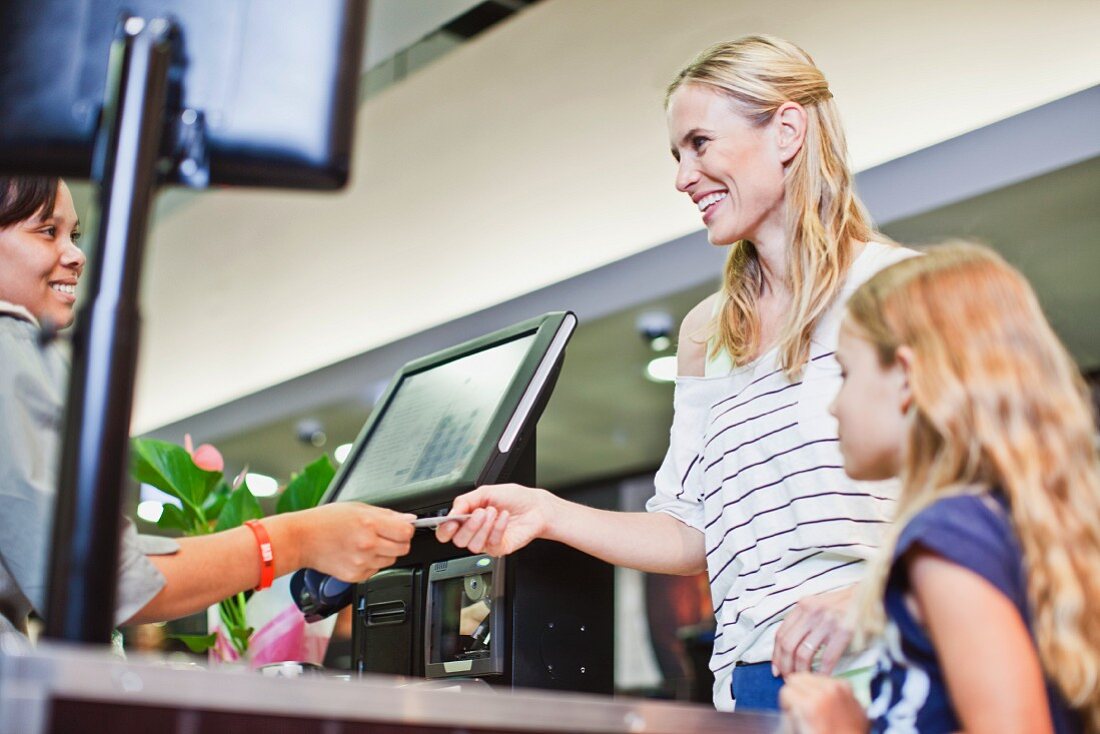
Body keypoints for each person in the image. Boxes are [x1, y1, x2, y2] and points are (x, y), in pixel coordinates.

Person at [436, 35, 917, 711]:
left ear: (786, 129)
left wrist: (878, 592)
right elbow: (690, 531)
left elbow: (1002, 489)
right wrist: (545, 512)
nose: (683, 176)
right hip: (749, 683)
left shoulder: (899, 289)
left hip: (886, 665)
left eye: (699, 143)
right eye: (677, 153)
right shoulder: (709, 333)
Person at [0, 175, 416, 640]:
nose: (76, 255)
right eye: (46, 231)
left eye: (73, 235)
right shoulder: (8, 343)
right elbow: (104, 582)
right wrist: (299, 538)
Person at [778, 244, 1100, 733]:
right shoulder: (998, 522)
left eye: (847, 373)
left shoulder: (946, 534)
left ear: (906, 377)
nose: (834, 406)